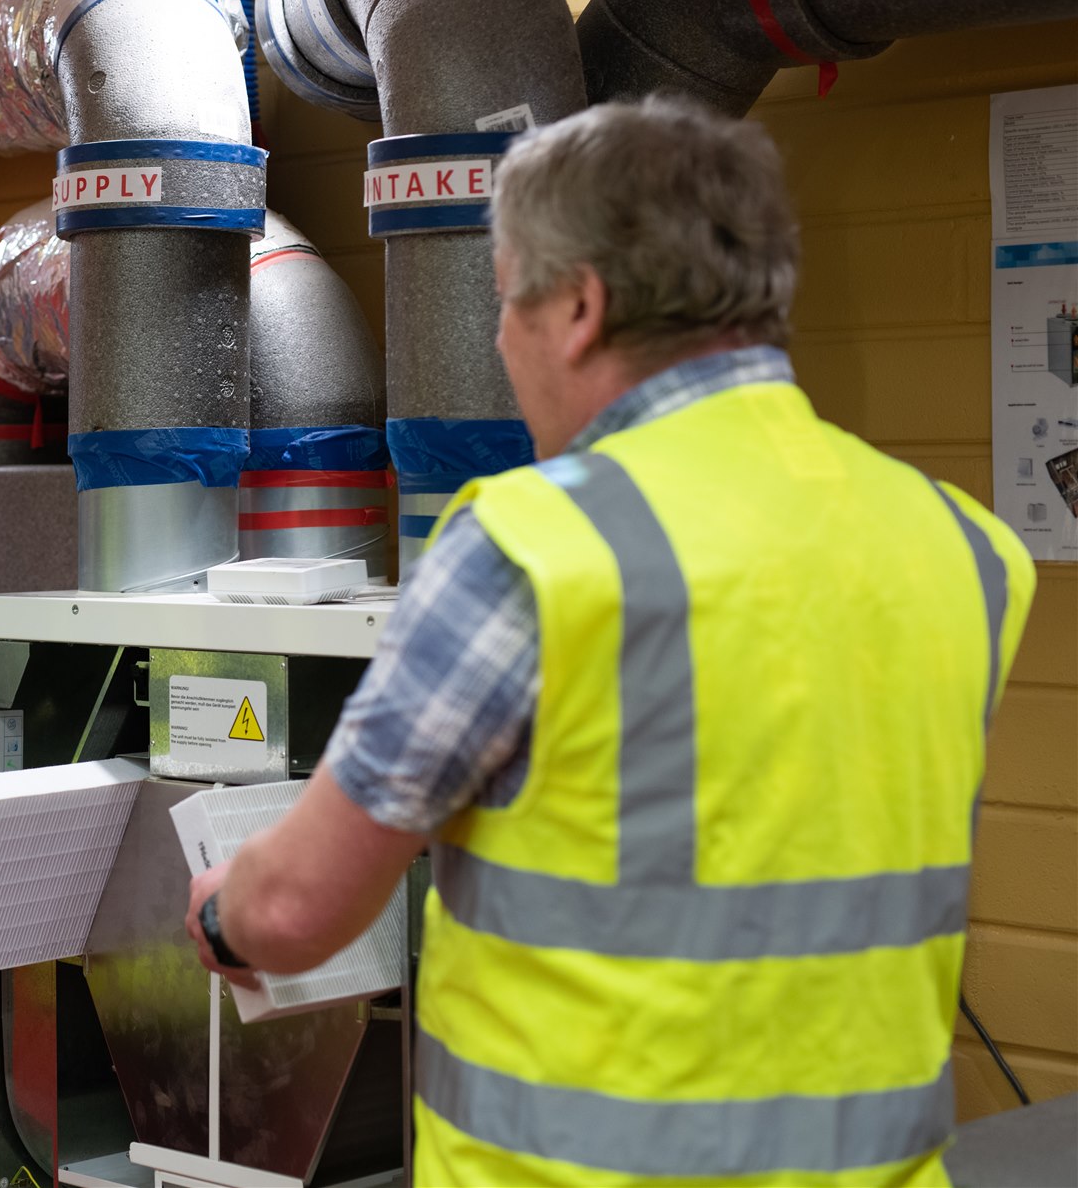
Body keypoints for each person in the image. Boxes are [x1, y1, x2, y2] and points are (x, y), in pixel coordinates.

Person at [184, 97, 1035, 1187]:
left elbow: (298, 909)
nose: (500, 343)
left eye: (505, 305)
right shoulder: (961, 545)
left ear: (578, 307)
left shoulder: (530, 546)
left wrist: (223, 916)